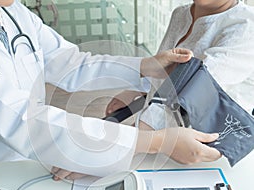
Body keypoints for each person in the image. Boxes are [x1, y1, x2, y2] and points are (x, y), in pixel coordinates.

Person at [0, 0, 221, 178]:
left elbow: (71, 62)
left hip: (38, 162)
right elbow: (23, 120)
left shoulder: (14, 13)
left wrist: (144, 66)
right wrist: (156, 142)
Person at [106, 0, 254, 131]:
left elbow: (194, 91)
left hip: (207, 145)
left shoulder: (247, 25)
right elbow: (164, 69)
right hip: (160, 133)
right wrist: (137, 90)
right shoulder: (181, 14)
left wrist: (137, 134)